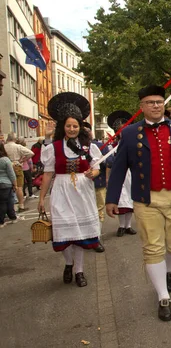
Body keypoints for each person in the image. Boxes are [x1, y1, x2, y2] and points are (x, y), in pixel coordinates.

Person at [105, 85, 171, 322]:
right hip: (145, 200)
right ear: (142, 106)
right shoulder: (130, 133)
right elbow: (120, 167)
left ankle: (169, 269)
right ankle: (163, 297)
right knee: (152, 246)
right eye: (150, 102)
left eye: (159, 102)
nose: (156, 106)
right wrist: (111, 199)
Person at [38, 92, 103, 288]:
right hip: (61, 190)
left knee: (80, 234)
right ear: (63, 127)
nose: (72, 129)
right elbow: (48, 174)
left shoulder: (88, 147)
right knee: (64, 231)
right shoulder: (53, 148)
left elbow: (97, 166)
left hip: (82, 191)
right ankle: (68, 263)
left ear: (79, 127)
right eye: (69, 126)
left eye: (75, 126)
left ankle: (79, 271)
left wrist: (95, 172)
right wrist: (41, 198)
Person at [105, 111, 137, 237]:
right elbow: (108, 162)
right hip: (118, 174)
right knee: (121, 199)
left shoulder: (133, 143)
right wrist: (108, 177)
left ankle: (128, 225)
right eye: (120, 129)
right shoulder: (112, 145)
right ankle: (121, 226)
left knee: (129, 198)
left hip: (130, 174)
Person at [84, 122, 108, 253]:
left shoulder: (97, 146)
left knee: (99, 209)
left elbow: (109, 162)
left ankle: (96, 237)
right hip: (80, 186)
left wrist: (101, 160)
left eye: (88, 130)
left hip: (98, 182)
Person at [4, 132, 34, 212]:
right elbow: (31, 153)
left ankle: (10, 207)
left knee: (8, 187)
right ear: (15, 139)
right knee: (19, 187)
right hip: (17, 165)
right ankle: (21, 205)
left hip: (6, 166)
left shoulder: (4, 147)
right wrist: (23, 160)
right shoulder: (18, 146)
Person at [0, 143, 18, 228]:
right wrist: (15, 184)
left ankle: (11, 216)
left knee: (3, 201)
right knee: (8, 201)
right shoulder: (5, 160)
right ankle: (6, 218)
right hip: (6, 183)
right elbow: (11, 174)